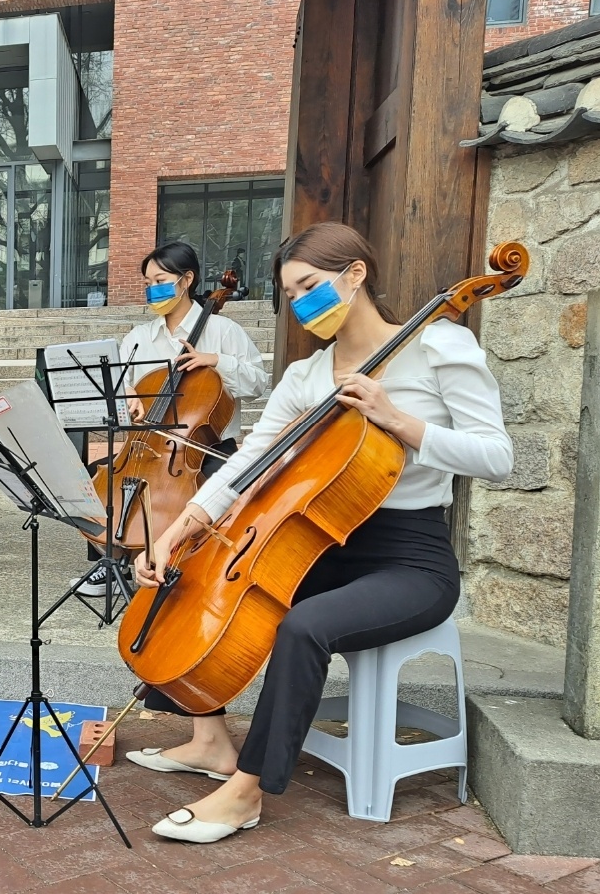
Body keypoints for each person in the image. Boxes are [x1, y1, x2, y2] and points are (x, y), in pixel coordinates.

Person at [130, 222, 513, 843]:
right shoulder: (308, 376)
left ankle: (247, 792)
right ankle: (208, 739)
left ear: (354, 274)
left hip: (410, 559)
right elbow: (251, 461)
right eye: (291, 293)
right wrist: (177, 531)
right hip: (324, 544)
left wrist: (396, 419)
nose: (303, 304)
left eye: (310, 285)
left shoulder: (441, 347)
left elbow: (498, 457)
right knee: (187, 577)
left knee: (305, 625)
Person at [79, 241, 269, 596]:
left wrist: (217, 362)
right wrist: (127, 395)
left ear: (186, 280)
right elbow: (119, 388)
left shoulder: (223, 332)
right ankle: (112, 561)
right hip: (144, 444)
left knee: (215, 490)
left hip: (208, 449)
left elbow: (258, 383)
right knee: (101, 480)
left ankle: (185, 565)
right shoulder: (139, 338)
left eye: (161, 280)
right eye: (148, 283)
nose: (153, 289)